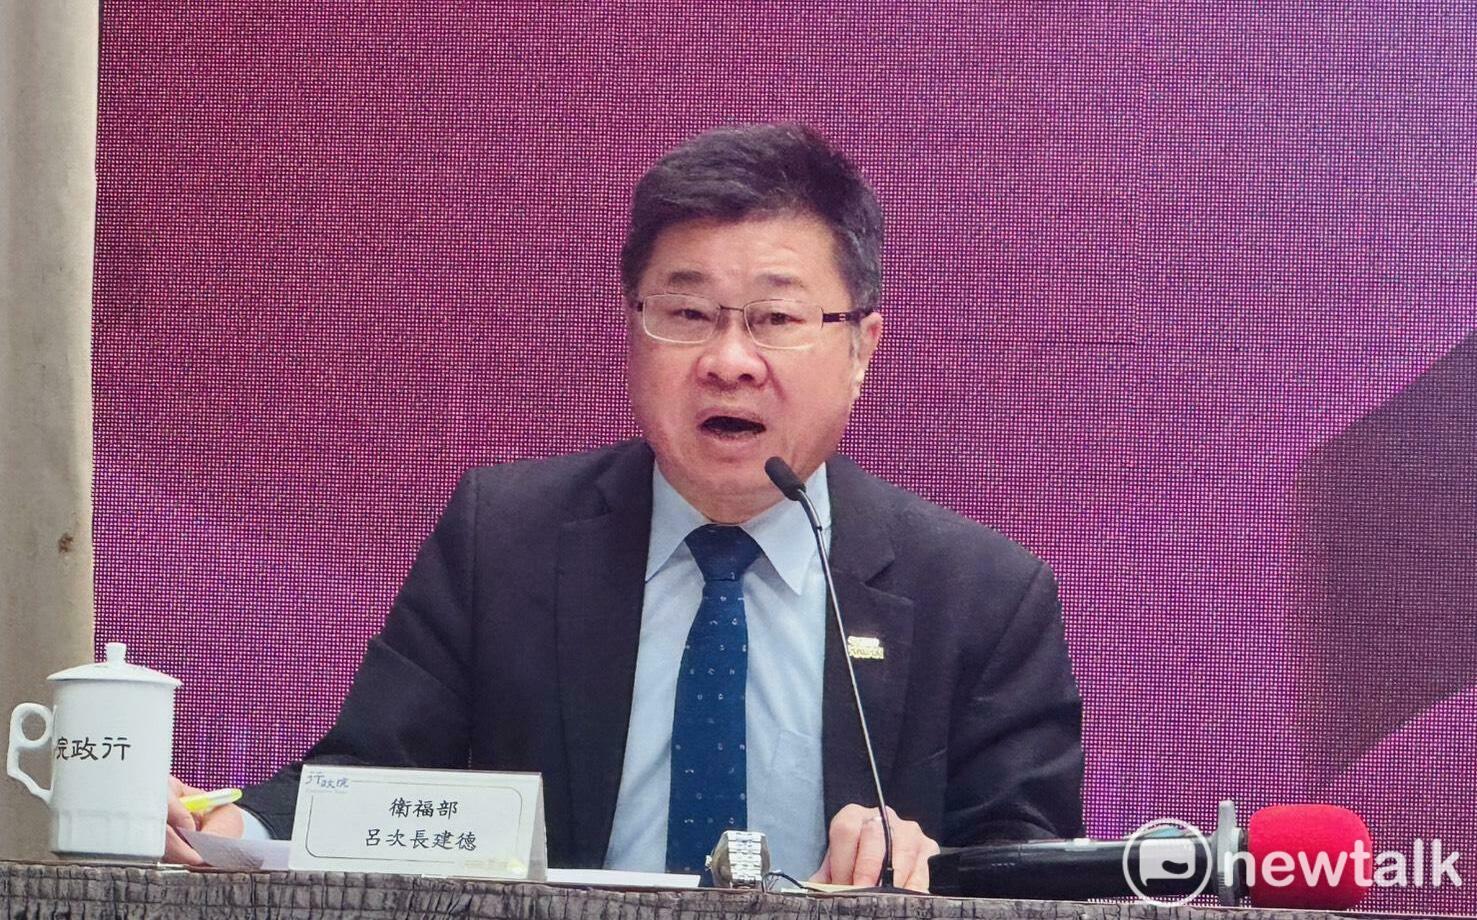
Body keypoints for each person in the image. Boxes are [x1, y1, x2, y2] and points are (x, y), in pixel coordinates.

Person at [164, 122, 1084, 891]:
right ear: (632, 331)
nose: (728, 360)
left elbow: (1035, 868)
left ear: (859, 349)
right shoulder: (505, 541)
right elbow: (366, 782)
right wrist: (223, 827)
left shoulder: (980, 595)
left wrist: (931, 865)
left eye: (774, 319)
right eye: (686, 315)